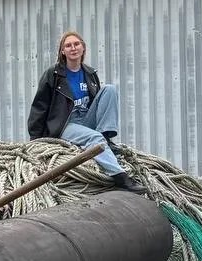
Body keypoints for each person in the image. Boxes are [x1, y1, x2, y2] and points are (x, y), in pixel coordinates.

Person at [27, 30, 145, 194]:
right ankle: (121, 178)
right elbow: (39, 106)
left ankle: (105, 136)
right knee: (95, 139)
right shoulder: (53, 74)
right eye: (68, 45)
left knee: (110, 89)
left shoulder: (90, 73)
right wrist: (35, 140)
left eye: (76, 44)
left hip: (86, 119)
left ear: (83, 48)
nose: (73, 48)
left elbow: (98, 102)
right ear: (63, 51)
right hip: (65, 124)